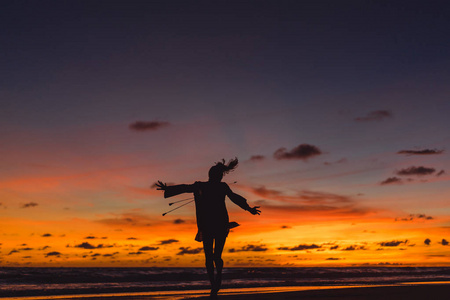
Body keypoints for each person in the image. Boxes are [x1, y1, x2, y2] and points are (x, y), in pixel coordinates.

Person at [156, 158, 260, 298]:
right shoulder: (219, 187)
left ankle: (214, 284)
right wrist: (249, 209)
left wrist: (168, 189)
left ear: (210, 175)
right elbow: (234, 198)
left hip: (209, 224)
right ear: (219, 175)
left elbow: (185, 188)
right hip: (220, 223)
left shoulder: (202, 186)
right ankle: (216, 282)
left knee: (209, 257)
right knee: (216, 256)